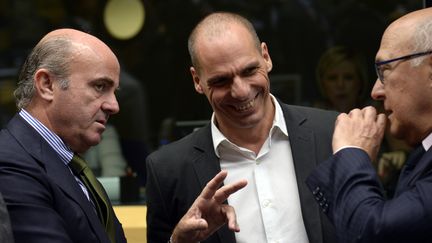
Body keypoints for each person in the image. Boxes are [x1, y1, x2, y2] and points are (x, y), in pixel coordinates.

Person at [146, 12, 337, 243]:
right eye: (221, 81)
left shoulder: (332, 134)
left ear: (266, 57)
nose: (241, 91)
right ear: (197, 81)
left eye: (249, 71)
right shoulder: (168, 170)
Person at [306, 7, 432, 243]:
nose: (376, 91)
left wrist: (351, 153)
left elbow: (371, 234)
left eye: (385, 70)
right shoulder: (421, 154)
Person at [0, 28, 126, 242]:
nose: (114, 105)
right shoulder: (9, 163)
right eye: (99, 86)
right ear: (47, 85)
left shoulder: (70, 162)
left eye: (114, 91)